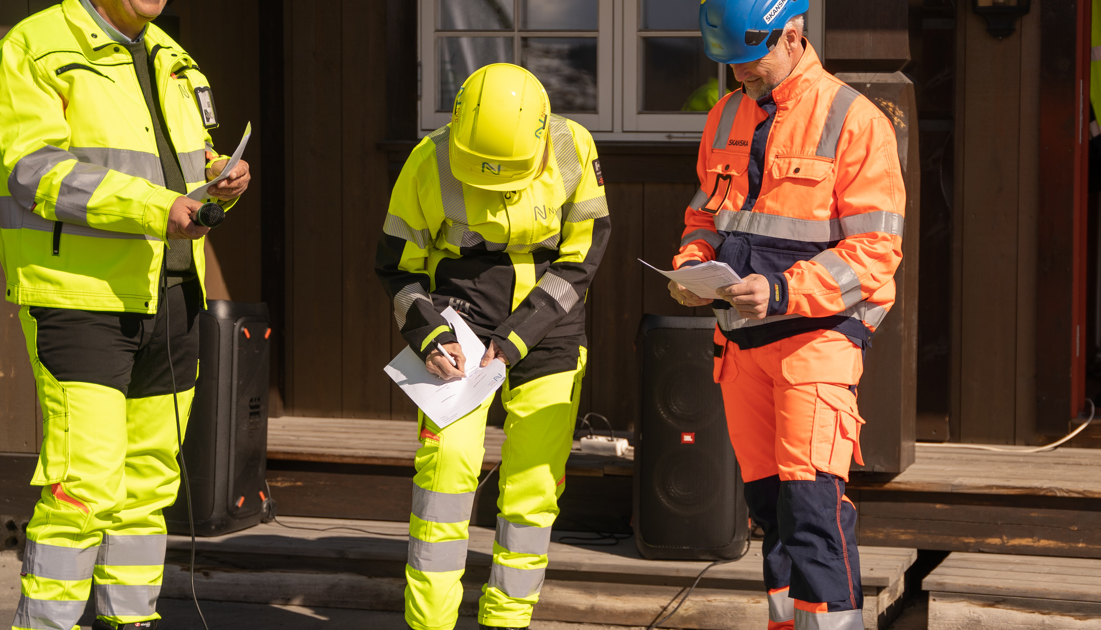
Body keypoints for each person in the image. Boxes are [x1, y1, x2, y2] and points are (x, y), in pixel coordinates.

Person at [0, 1, 250, 628]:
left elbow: (182, 171)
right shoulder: (37, 46)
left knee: (149, 481)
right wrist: (157, 206)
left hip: (172, 291)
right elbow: (34, 171)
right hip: (80, 298)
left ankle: (130, 619)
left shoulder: (173, 58)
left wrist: (218, 179)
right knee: (85, 487)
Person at [666, 1, 905, 629]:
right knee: (771, 510)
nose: (737, 74)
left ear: (792, 34)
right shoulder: (723, 116)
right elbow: (706, 218)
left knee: (813, 511)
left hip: (816, 343)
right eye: (728, 62)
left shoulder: (856, 120)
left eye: (749, 59)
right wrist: (692, 268)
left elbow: (875, 253)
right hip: (741, 345)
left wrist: (780, 291)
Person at [375, 63, 610, 630]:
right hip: (457, 328)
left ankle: (508, 620)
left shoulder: (572, 147)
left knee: (532, 488)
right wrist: (428, 334)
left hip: (549, 334)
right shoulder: (428, 158)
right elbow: (395, 268)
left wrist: (514, 339)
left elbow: (582, 257)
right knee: (445, 478)